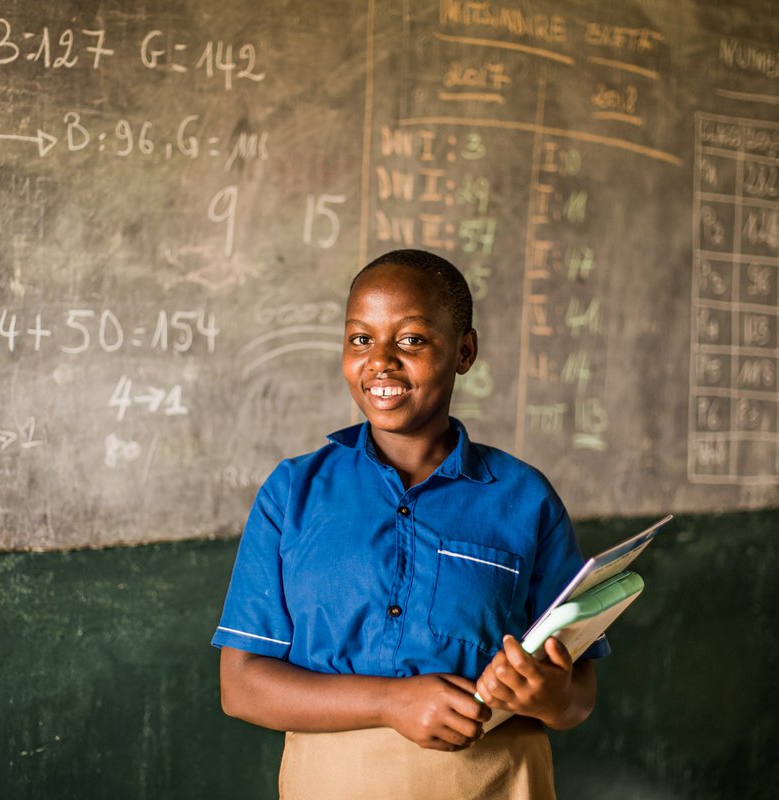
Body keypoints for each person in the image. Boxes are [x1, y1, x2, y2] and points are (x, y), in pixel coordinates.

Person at [211, 248, 609, 799]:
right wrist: (390, 701)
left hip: (493, 781)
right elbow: (242, 687)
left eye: (412, 340)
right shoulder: (293, 492)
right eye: (360, 339)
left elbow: (579, 694)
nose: (380, 360)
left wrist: (547, 695)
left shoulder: (524, 497)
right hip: (332, 784)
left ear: (464, 351)